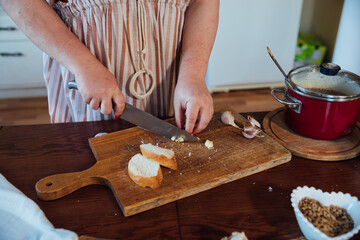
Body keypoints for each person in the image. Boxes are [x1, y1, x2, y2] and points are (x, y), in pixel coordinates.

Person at [0, 0, 219, 134]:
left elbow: (202, 1)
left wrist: (194, 74)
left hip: (173, 81)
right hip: (87, 80)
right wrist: (84, 65)